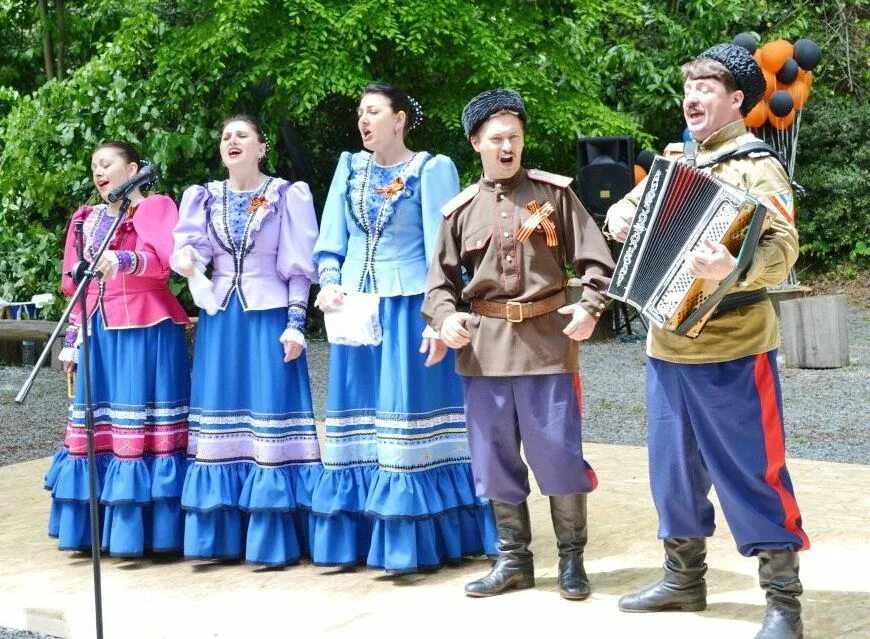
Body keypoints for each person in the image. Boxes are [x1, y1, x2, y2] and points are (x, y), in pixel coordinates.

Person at [605, 44, 808, 639]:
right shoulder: (675, 159)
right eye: (688, 89)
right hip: (667, 345)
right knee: (672, 471)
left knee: (752, 471)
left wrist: (733, 270)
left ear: (737, 100)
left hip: (735, 346)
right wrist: (619, 213)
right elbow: (633, 210)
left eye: (706, 89)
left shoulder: (758, 168)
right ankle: (683, 578)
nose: (692, 99)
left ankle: (783, 599)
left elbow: (784, 252)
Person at [422, 89, 614, 599]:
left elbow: (596, 262)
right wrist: (444, 320)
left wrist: (591, 306)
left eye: (515, 137)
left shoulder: (554, 196)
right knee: (493, 460)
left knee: (559, 455)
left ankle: (572, 561)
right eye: (497, 138)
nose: (508, 147)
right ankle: (514, 562)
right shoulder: (459, 211)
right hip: (482, 352)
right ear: (475, 143)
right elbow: (438, 286)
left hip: (548, 345)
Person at [310, 83, 495, 573]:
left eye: (373, 111)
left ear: (400, 119)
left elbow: (445, 249)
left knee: (405, 414)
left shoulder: (431, 169)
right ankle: (359, 536)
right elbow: (331, 241)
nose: (363, 120)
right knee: (358, 415)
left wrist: (441, 315)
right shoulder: (348, 168)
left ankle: (420, 539)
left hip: (410, 307)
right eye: (359, 113)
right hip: (355, 308)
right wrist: (328, 283)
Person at [172, 115, 321, 567]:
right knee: (220, 416)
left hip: (269, 315)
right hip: (220, 319)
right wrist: (188, 259)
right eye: (225, 137)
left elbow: (298, 264)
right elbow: (193, 247)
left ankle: (277, 535)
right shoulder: (202, 196)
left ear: (262, 146)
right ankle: (220, 538)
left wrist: (296, 322)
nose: (231, 141)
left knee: (271, 414)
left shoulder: (286, 195)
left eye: (242, 135)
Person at [47, 141, 190, 557]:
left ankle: (152, 531)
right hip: (100, 330)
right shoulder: (87, 219)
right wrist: (73, 339)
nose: (99, 171)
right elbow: (74, 284)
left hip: (146, 326)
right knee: (100, 423)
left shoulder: (154, 207)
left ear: (132, 168)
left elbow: (164, 261)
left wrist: (125, 261)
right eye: (93, 165)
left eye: (107, 163)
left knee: (145, 425)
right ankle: (96, 529)